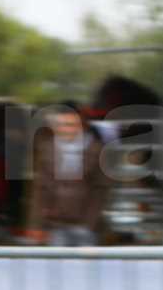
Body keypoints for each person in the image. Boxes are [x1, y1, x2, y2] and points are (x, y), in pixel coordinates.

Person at [26, 102, 108, 246]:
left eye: (72, 124)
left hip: (85, 225)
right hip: (55, 224)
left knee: (85, 266)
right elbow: (39, 190)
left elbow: (100, 190)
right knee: (59, 264)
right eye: (63, 124)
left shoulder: (95, 150)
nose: (67, 129)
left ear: (80, 124)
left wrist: (89, 223)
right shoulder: (46, 149)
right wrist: (36, 225)